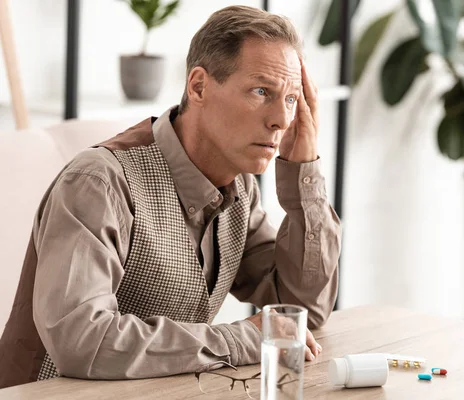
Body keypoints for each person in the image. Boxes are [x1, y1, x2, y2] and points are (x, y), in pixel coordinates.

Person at [0, 5, 341, 388]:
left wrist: (304, 176)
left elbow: (301, 312)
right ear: (198, 87)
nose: (281, 118)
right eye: (261, 91)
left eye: (292, 99)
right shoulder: (100, 183)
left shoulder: (238, 187)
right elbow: (82, 341)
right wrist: (241, 338)